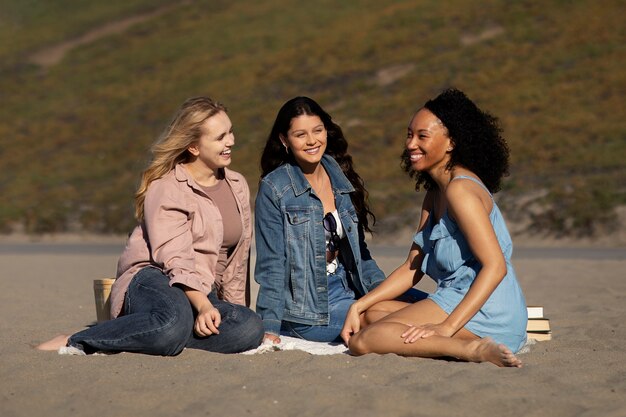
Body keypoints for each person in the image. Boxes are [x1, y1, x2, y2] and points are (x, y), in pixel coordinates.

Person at [37, 97, 264, 355]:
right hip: (155, 277)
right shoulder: (167, 187)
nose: (231, 141)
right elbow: (175, 259)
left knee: (250, 327)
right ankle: (79, 339)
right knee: (170, 324)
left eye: (231, 131)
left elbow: (235, 264)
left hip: (201, 288)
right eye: (221, 136)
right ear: (193, 146)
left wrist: (229, 312)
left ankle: (160, 332)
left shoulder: (237, 185)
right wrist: (203, 307)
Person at [340, 88, 527, 367]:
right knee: (371, 314)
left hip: (490, 310)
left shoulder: (461, 190)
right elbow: (411, 268)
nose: (411, 144)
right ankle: (454, 340)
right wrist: (359, 305)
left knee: (363, 341)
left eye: (422, 136)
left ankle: (472, 350)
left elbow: (496, 266)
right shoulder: (434, 194)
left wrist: (446, 327)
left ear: (451, 142)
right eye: (409, 134)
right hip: (453, 298)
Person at [254, 96, 386, 344]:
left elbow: (360, 253)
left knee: (423, 305)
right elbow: (272, 265)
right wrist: (269, 326)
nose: (312, 140)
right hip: (310, 311)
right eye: (300, 134)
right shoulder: (275, 188)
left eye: (318, 130)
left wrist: (382, 289)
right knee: (386, 318)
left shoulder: (339, 175)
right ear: (284, 140)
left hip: (354, 288)